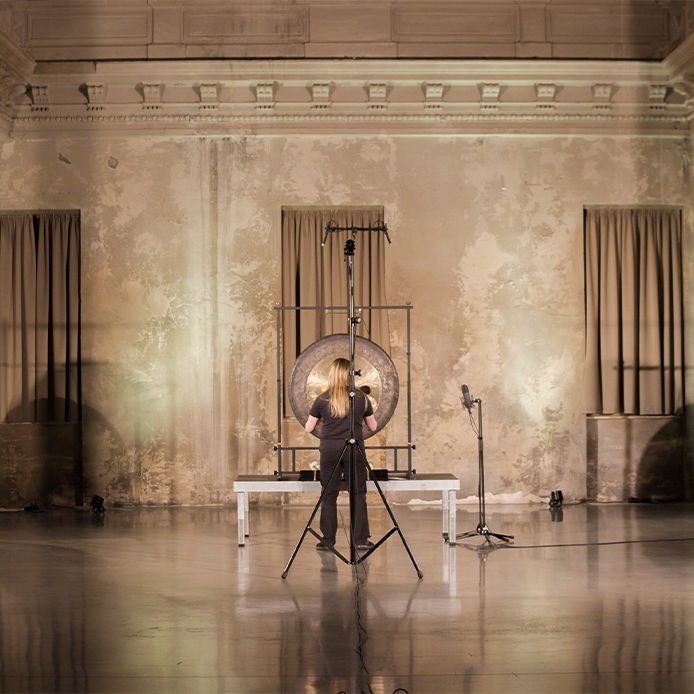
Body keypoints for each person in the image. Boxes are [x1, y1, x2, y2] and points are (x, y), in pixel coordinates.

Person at [305, 357, 377, 552]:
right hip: (354, 450)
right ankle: (360, 539)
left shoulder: (322, 399)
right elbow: (373, 426)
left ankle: (327, 540)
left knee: (329, 494)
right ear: (350, 375)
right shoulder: (362, 398)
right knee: (358, 493)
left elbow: (308, 427)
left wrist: (323, 421)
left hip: (329, 450)